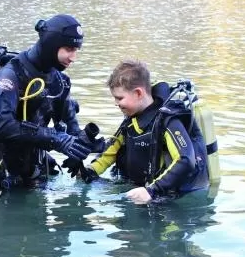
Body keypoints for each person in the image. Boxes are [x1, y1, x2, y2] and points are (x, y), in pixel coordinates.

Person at [0, 14, 99, 188]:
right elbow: (0, 125)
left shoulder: (59, 82)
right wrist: (55, 139)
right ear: (51, 44)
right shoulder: (9, 76)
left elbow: (70, 128)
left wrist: (78, 155)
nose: (73, 57)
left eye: (76, 50)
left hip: (34, 173)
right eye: (68, 49)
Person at [76, 60, 210, 204]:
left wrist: (151, 191)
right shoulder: (131, 120)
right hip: (139, 191)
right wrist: (90, 171)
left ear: (138, 93)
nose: (116, 103)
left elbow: (186, 160)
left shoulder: (168, 121)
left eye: (119, 98)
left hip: (171, 200)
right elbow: (111, 152)